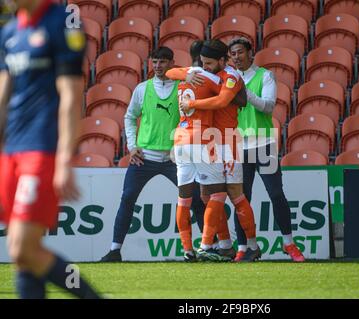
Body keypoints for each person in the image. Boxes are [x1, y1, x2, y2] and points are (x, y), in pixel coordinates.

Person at [0, 0, 101, 298]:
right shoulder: (8, 32)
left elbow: (71, 97)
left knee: (21, 246)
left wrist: (63, 160)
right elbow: (3, 97)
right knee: (24, 257)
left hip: (42, 149)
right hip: (12, 153)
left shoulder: (63, 23)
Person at [100, 47, 206, 262]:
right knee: (127, 199)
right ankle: (114, 250)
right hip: (144, 158)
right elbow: (129, 117)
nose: (158, 66)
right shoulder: (142, 88)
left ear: (171, 63)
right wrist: (132, 146)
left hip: (174, 159)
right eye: (154, 62)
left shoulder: (183, 87)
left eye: (162, 62)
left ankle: (207, 247)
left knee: (195, 199)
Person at [177, 39, 261, 262]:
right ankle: (225, 244)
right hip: (210, 142)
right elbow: (173, 72)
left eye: (209, 63)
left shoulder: (231, 76)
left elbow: (224, 101)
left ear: (222, 60)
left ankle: (251, 245)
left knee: (235, 194)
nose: (205, 67)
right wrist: (185, 75)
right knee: (208, 195)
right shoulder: (212, 75)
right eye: (203, 63)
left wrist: (192, 105)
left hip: (229, 142)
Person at [228, 37, 305, 262]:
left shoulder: (266, 76)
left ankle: (289, 243)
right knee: (241, 199)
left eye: (240, 52)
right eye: (232, 54)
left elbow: (268, 106)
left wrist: (244, 92)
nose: (236, 57)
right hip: (239, 147)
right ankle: (244, 246)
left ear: (251, 53)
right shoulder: (228, 80)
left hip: (264, 145)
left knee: (276, 194)